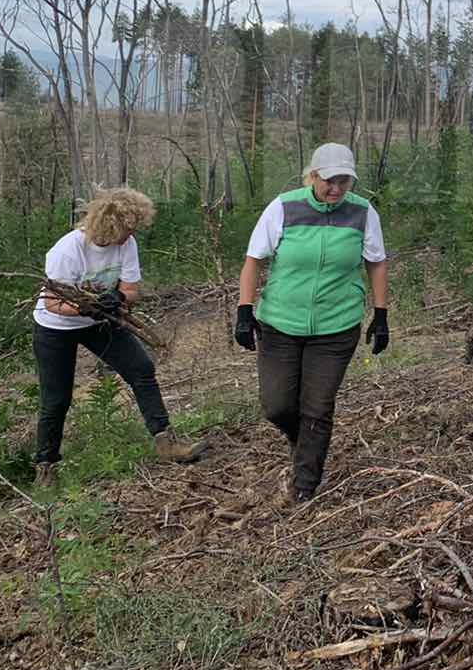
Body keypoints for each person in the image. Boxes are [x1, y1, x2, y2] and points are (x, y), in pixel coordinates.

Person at [233, 142, 389, 506]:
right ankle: (303, 442)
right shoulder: (284, 207)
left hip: (336, 326)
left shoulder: (363, 212)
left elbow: (377, 262)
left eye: (343, 182)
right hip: (280, 323)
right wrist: (244, 309)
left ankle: (305, 486)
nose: (335, 190)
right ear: (313, 175)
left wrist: (381, 315)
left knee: (317, 406)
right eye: (329, 181)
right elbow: (253, 259)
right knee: (278, 406)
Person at [32, 187, 204, 485]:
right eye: (128, 227)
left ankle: (166, 441)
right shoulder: (67, 250)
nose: (132, 232)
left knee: (141, 369)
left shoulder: (127, 244)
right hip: (55, 327)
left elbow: (130, 289)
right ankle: (46, 467)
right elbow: (53, 302)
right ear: (112, 224)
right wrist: (87, 307)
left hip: (100, 320)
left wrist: (117, 299)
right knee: (56, 398)